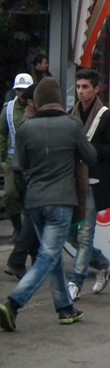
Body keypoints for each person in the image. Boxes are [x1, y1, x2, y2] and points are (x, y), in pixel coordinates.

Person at [0, 77, 97, 331]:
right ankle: (12, 303)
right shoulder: (72, 124)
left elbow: (20, 165)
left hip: (34, 202)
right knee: (47, 256)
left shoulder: (25, 127)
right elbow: (90, 156)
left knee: (51, 257)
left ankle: (65, 308)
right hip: (61, 200)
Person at [66, 68, 110, 301]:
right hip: (73, 182)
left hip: (94, 182)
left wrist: (89, 150)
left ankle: (75, 281)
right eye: (78, 87)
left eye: (85, 87)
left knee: (86, 235)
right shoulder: (71, 115)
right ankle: (102, 262)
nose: (81, 91)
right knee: (68, 234)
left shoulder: (108, 116)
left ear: (96, 89)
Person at [4, 82, 40, 279]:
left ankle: (33, 260)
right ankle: (17, 260)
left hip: (24, 175)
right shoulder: (30, 124)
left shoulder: (31, 121)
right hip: (26, 176)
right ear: (31, 102)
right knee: (35, 218)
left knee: (33, 218)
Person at [0, 73, 34, 243]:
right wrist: (1, 158)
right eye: (19, 89)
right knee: (10, 195)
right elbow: (2, 134)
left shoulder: (37, 107)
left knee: (30, 198)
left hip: (33, 160)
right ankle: (17, 227)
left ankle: (31, 230)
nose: (22, 93)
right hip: (12, 160)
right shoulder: (8, 108)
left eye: (25, 89)